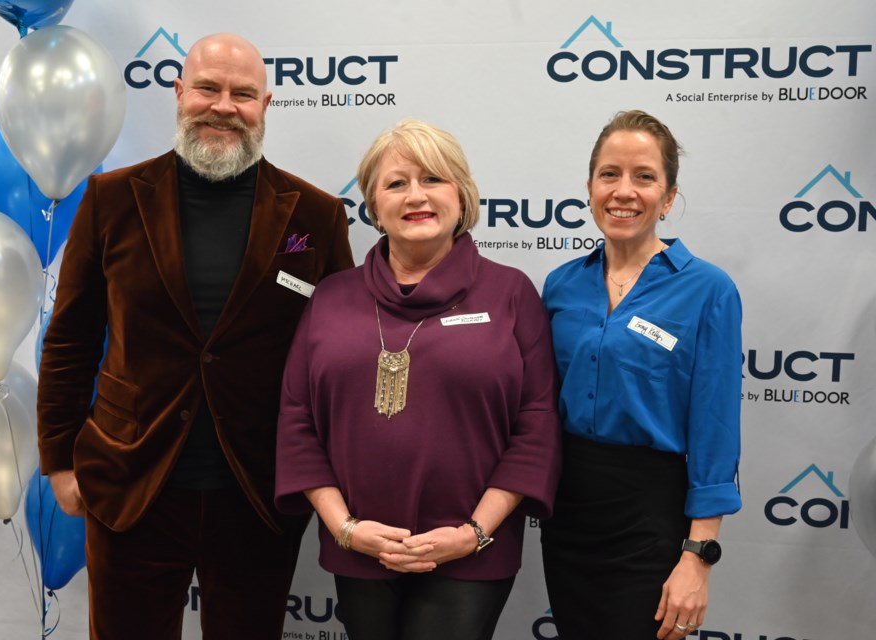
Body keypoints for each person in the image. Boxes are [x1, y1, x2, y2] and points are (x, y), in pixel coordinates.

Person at [36, 33, 354, 639]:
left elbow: (337, 355)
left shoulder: (315, 216)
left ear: (266, 105)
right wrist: (58, 462)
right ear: (180, 94)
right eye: (208, 88)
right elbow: (70, 341)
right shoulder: (110, 199)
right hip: (131, 485)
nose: (223, 106)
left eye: (242, 94)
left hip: (257, 491)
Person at [274, 119, 561, 640]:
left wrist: (473, 534)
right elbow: (297, 422)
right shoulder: (330, 298)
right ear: (373, 205)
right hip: (360, 548)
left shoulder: (512, 295)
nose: (416, 196)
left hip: (471, 551)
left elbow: (536, 426)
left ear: (462, 195)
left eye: (433, 179)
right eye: (396, 183)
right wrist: (345, 529)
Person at [539, 110, 742, 640]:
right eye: (610, 174)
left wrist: (698, 555)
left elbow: (716, 426)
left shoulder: (707, 290)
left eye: (644, 177)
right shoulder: (561, 285)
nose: (624, 191)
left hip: (651, 516)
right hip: (569, 512)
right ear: (589, 188)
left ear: (669, 197)